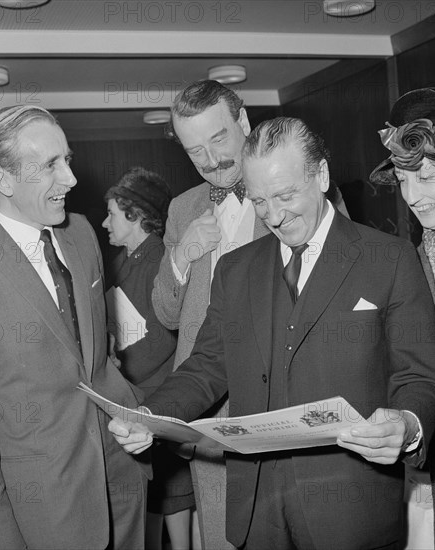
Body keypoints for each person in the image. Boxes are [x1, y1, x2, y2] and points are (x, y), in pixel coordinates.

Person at [110, 116, 435, 550]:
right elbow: (207, 365)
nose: (274, 215)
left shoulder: (391, 258)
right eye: (260, 201)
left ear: (322, 176)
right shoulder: (235, 270)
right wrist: (153, 418)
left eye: (286, 195)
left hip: (350, 514)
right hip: (257, 512)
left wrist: (407, 423)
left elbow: (421, 378)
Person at [0, 105, 149, 550]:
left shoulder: (82, 234)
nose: (71, 178)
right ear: (2, 180)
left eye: (66, 159)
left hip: (124, 489)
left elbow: (97, 362)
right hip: (47, 520)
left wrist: (136, 414)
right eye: (50, 165)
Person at [151, 79, 347, 549]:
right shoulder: (182, 209)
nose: (210, 159)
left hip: (282, 403)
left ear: (243, 121)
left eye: (218, 139)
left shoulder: (302, 195)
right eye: (194, 149)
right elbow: (166, 313)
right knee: (222, 533)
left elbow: (335, 292)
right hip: (205, 412)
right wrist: (181, 256)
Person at [370, 87, 435, 550]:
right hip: (420, 468)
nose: (412, 198)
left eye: (427, 177)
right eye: (403, 181)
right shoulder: (408, 261)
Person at [102, 167, 192, 549]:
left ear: (135, 215)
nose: (104, 222)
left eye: (111, 214)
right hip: (130, 395)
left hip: (153, 396)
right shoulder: (123, 260)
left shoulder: (158, 259)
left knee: (168, 496)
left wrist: (115, 374)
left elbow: (163, 338)